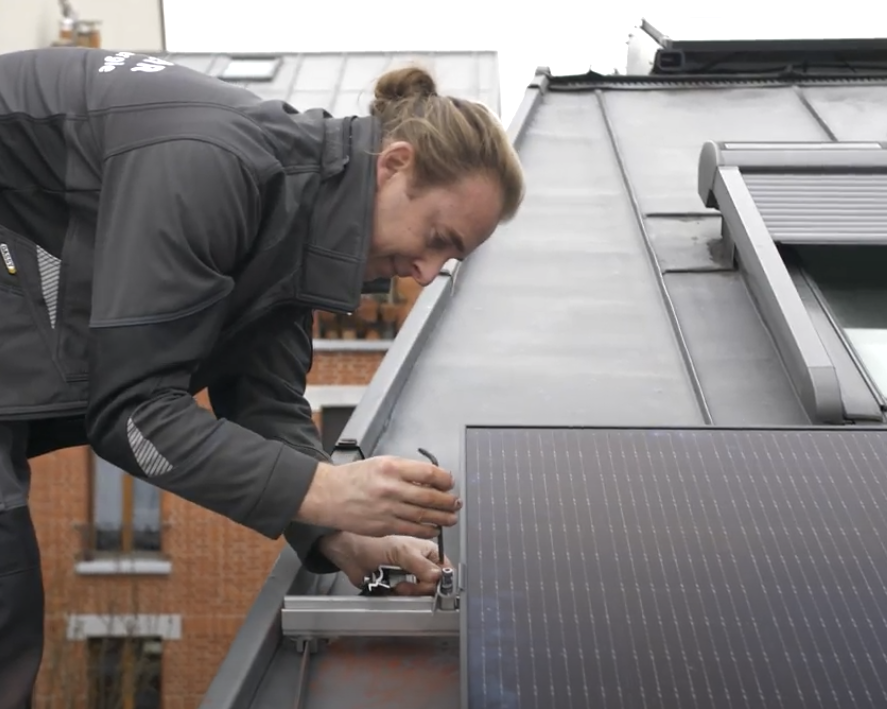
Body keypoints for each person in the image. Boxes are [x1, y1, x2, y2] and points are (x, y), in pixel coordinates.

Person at [0, 45, 524, 707]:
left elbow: (264, 400)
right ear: (395, 167)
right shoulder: (211, 167)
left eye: (449, 258)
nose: (424, 272)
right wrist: (327, 488)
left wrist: (338, 534)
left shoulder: (298, 211)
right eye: (437, 237)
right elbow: (133, 416)